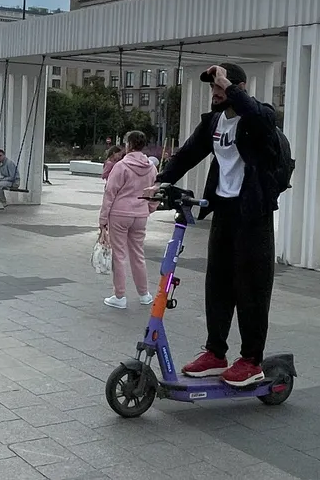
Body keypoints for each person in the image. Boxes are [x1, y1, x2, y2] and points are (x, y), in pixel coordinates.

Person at [147, 63, 282, 387]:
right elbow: (188, 153)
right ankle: (215, 353)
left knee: (251, 288)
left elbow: (262, 119)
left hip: (253, 215)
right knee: (218, 284)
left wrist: (230, 85)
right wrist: (162, 180)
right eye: (213, 87)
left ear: (239, 87)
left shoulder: (258, 117)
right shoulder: (214, 122)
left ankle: (251, 360)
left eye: (220, 85)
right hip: (224, 210)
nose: (216, 92)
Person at [99, 130, 158, 309]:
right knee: (138, 254)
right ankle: (144, 294)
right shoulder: (151, 167)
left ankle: (120, 296)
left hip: (119, 213)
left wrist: (103, 219)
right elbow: (155, 192)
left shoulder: (121, 166)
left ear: (129, 145)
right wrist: (148, 209)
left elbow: (110, 193)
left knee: (119, 255)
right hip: (140, 214)